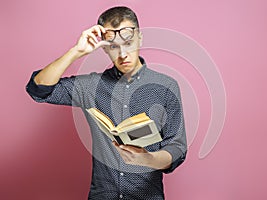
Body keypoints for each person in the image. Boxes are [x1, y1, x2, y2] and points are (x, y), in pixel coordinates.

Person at [26, 6, 187, 200]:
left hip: (147, 195)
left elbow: (176, 148)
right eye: (113, 46)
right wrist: (76, 51)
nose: (122, 54)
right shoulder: (90, 86)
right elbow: (39, 89)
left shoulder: (166, 86)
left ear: (140, 38)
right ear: (104, 48)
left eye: (128, 43)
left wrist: (148, 159)